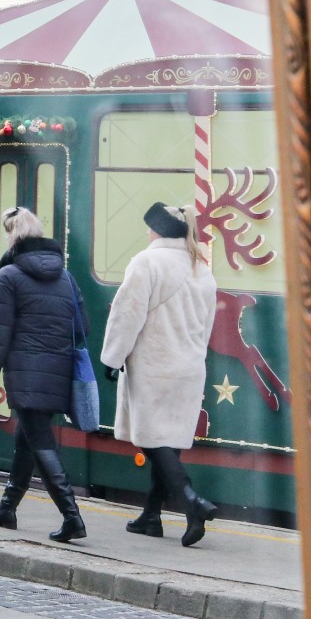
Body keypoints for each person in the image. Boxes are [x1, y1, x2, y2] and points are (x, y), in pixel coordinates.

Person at [100, 201, 220, 547]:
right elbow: (207, 325)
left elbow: (127, 315)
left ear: (159, 231)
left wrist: (112, 357)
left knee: (153, 440)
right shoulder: (201, 268)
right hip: (189, 366)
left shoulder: (147, 262)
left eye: (150, 227)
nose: (147, 232)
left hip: (155, 365)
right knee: (168, 441)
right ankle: (151, 516)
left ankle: (191, 502)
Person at [0, 207, 91, 542]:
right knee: (26, 440)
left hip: (26, 375)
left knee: (40, 442)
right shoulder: (66, 277)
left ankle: (72, 517)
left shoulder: (9, 276)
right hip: (59, 372)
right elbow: (83, 327)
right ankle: (7, 508)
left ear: (11, 237)